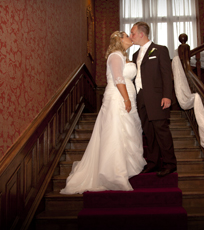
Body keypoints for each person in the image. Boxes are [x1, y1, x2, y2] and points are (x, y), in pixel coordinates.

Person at [60, 31, 146, 194]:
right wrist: (126, 99)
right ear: (120, 40)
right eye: (127, 36)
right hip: (118, 97)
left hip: (127, 96)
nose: (130, 38)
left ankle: (125, 167)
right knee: (116, 133)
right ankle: (114, 173)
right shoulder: (115, 55)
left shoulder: (123, 56)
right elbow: (118, 78)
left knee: (127, 131)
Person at [130, 21, 177, 177]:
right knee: (148, 132)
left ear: (141, 34)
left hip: (157, 98)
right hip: (141, 97)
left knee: (161, 132)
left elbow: (166, 74)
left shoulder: (160, 50)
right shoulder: (135, 55)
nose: (131, 36)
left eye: (133, 33)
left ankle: (170, 164)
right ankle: (153, 163)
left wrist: (167, 96)